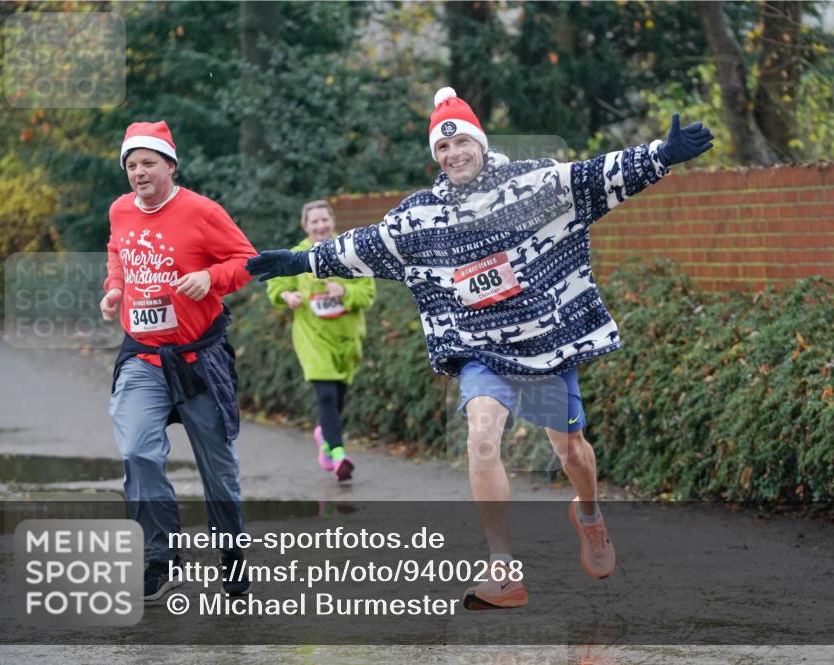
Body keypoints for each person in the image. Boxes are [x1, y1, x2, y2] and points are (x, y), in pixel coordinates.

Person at [246, 88, 713, 610]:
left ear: (480, 142)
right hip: (477, 349)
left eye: (461, 142)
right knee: (482, 436)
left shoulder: (532, 184)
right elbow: (363, 245)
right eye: (442, 149)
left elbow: (595, 175)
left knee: (571, 453)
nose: (453, 154)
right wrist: (295, 261)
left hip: (544, 344)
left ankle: (588, 515)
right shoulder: (422, 217)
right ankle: (503, 566)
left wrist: (661, 155)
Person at [99, 120, 257, 602]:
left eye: (148, 163)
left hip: (197, 359)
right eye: (131, 165)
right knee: (136, 453)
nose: (139, 172)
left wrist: (210, 279)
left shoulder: (202, 212)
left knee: (219, 468)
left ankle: (231, 555)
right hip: (142, 357)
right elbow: (118, 253)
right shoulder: (121, 210)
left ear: (170, 165)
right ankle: (159, 558)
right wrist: (115, 289)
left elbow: (245, 260)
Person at [265, 199, 375, 481]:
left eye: (324, 220)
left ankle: (324, 435)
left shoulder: (350, 252)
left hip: (348, 338)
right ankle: (339, 456)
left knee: (337, 397)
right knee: (325, 394)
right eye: (314, 222)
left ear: (332, 221)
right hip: (312, 338)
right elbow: (276, 284)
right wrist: (287, 296)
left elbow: (368, 293)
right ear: (305, 226)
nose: (320, 226)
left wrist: (345, 293)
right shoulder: (297, 255)